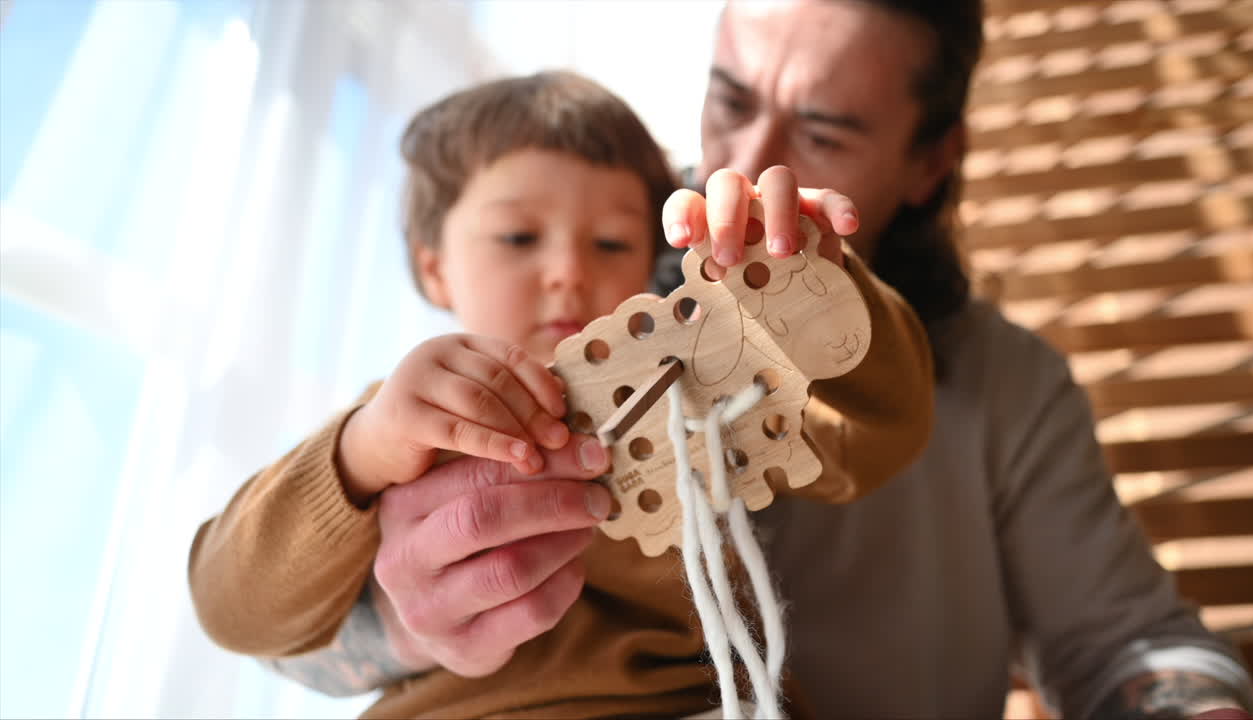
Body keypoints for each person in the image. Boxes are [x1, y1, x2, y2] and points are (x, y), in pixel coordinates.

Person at [249, 2, 1253, 718]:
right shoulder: (582, 285)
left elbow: (1125, 646)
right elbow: (280, 625)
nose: (748, 158)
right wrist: (420, 620)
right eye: (726, 99)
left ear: (929, 160)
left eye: (821, 130)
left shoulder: (1000, 385)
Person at [188, 68, 936, 718]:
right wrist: (356, 454)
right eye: (518, 239)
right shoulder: (395, 427)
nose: (567, 273)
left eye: (610, 243)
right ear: (434, 268)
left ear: (650, 263)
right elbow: (229, 607)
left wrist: (813, 283)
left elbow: (884, 432)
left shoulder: (693, 389)